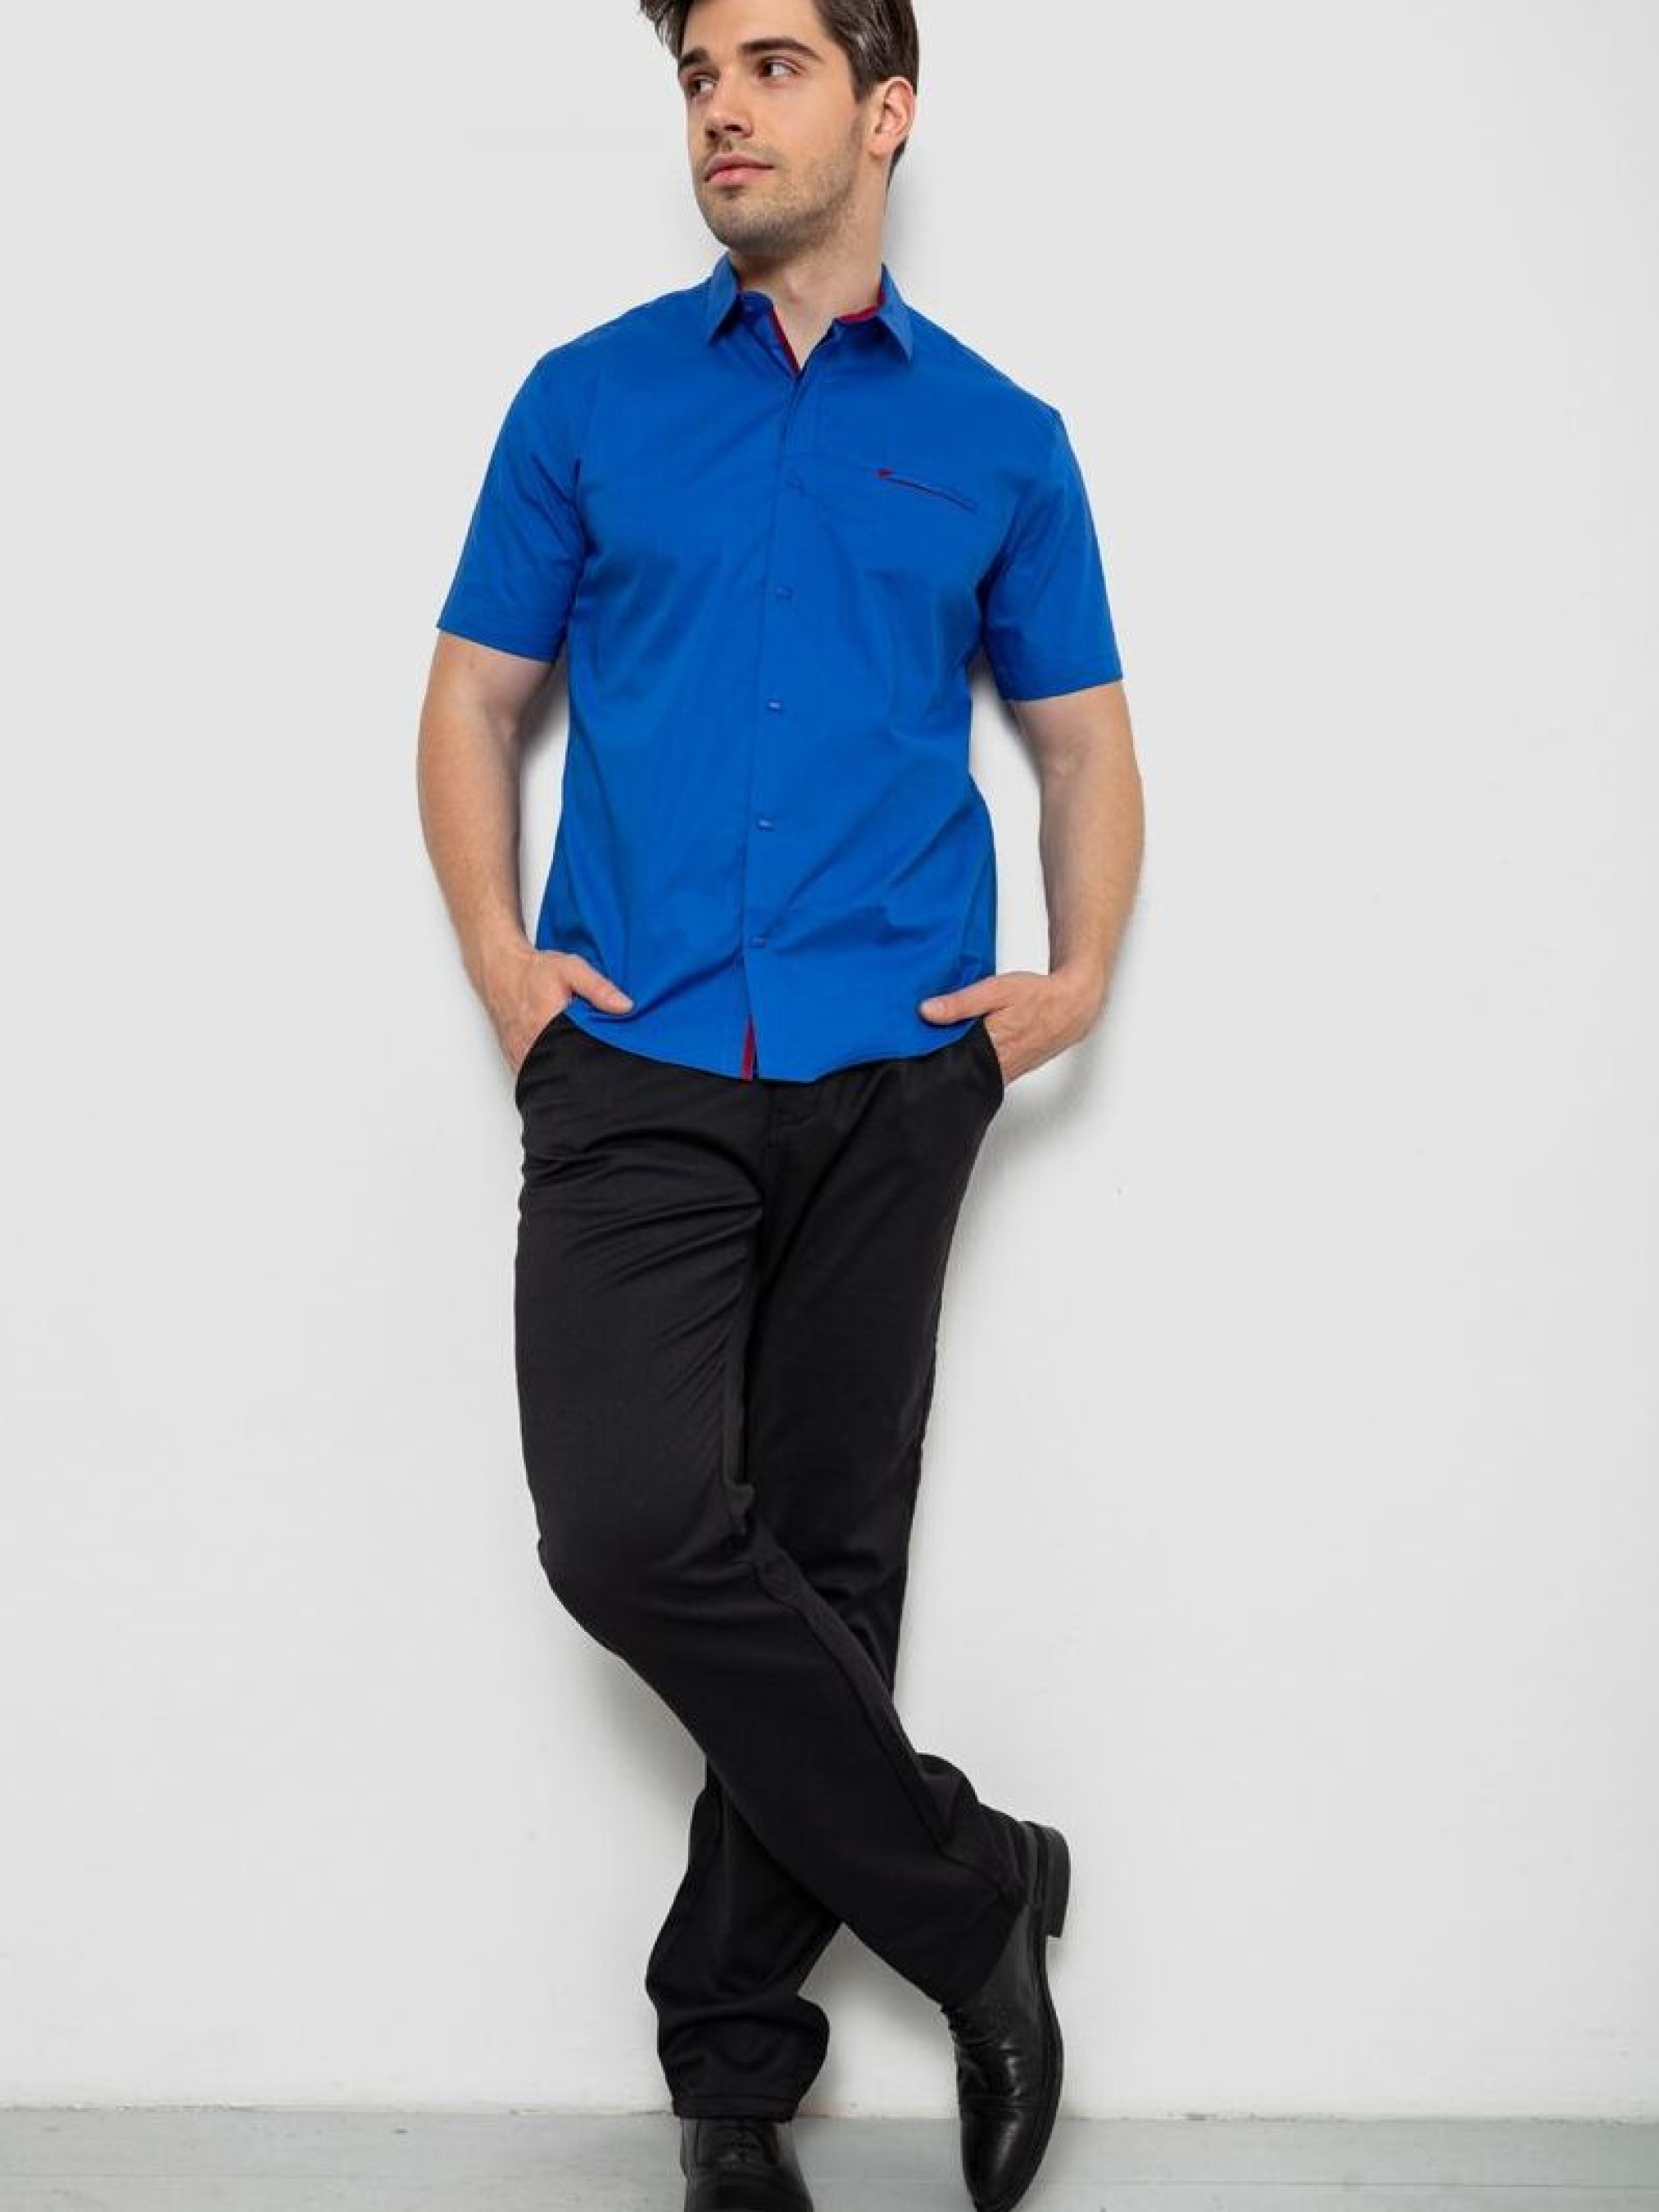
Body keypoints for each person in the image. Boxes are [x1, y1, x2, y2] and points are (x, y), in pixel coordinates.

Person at [416, 0, 1144, 2203]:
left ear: (883, 106)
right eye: (698, 76)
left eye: (770, 65)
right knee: (627, 1529)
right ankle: (974, 1892)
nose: (722, 106)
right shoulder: (589, 399)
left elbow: (1085, 743)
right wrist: (503, 963)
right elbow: (469, 701)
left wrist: (1074, 976)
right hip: (633, 1054)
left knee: (827, 1558)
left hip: (893, 1065)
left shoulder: (1003, 437)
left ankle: (732, 2077)